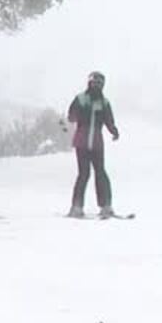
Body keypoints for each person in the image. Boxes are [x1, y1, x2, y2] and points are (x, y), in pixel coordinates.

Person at [68, 70, 121, 217]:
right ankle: (77, 207)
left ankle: (106, 206)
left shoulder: (104, 102)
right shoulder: (81, 99)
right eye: (95, 83)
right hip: (82, 142)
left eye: (100, 83)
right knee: (84, 174)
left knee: (100, 173)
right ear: (90, 83)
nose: (97, 86)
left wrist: (114, 131)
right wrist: (77, 113)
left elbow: (109, 120)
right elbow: (71, 116)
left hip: (96, 143)